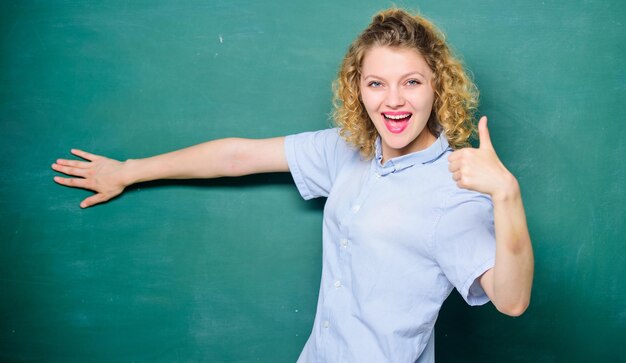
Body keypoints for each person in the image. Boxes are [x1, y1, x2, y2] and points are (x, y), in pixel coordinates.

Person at [52, 8, 533, 363]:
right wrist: (129, 170)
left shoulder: (456, 188)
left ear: (437, 86)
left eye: (411, 82)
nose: (393, 101)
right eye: (376, 84)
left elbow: (511, 300)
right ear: (358, 88)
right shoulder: (347, 152)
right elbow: (239, 156)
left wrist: (506, 195)